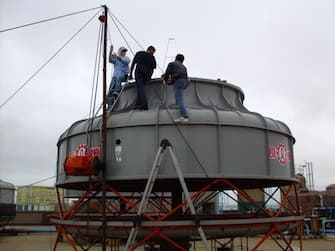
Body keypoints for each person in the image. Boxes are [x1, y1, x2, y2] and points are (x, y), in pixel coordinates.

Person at [163, 54, 189, 122]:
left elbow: (167, 73)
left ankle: (184, 116)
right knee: (178, 94)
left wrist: (166, 80)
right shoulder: (184, 67)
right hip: (185, 81)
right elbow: (181, 75)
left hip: (178, 81)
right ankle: (177, 106)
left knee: (180, 98)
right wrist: (171, 82)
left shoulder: (172, 64)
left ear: (176, 58)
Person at [129, 46, 156, 110]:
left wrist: (130, 74)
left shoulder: (139, 53)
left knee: (140, 88)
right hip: (146, 74)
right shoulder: (151, 56)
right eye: (153, 52)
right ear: (151, 50)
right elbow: (153, 67)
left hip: (139, 73)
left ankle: (142, 104)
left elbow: (133, 64)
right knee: (141, 88)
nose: (153, 53)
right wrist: (149, 77)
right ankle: (140, 104)